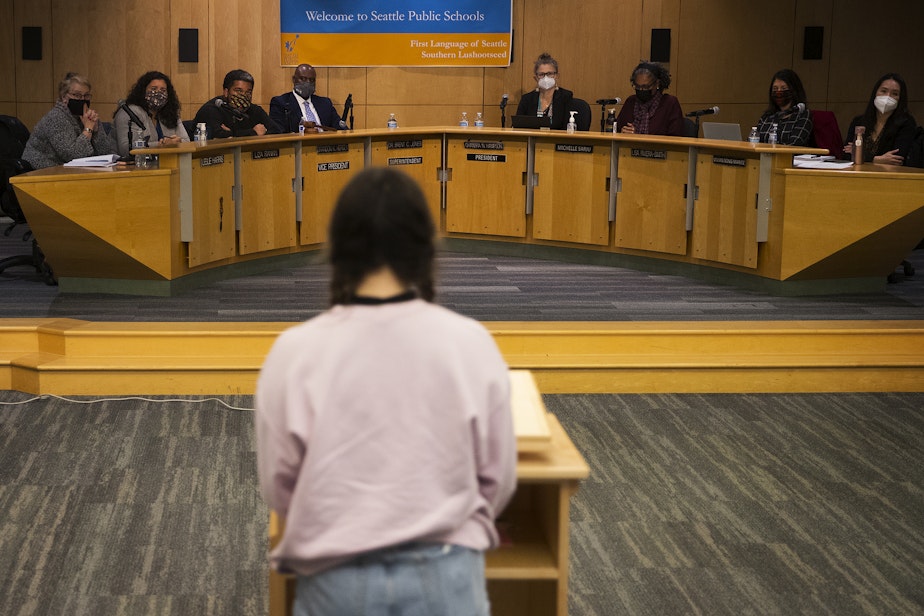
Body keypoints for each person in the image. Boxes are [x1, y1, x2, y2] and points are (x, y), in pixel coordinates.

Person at [255, 167, 517, 616]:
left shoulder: (294, 350)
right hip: (448, 575)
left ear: (337, 246)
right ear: (425, 246)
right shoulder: (471, 342)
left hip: (335, 579)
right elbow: (497, 478)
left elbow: (279, 486)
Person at [21, 72, 116, 170]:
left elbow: (107, 154)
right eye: (77, 95)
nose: (82, 100)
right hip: (41, 172)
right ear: (64, 97)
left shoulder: (88, 117)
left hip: (70, 171)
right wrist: (88, 129)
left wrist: (96, 131)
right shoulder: (56, 117)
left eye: (86, 95)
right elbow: (73, 156)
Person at [843, 73, 917, 165]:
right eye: (883, 91)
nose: (888, 96)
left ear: (900, 99)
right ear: (875, 93)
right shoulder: (859, 121)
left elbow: (896, 159)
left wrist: (860, 154)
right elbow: (846, 154)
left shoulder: (906, 123)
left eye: (895, 94)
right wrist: (875, 159)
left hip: (889, 176)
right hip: (857, 174)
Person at [112, 71, 189, 159]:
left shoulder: (170, 113)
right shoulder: (129, 113)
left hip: (165, 163)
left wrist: (177, 142)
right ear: (143, 91)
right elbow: (125, 148)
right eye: (153, 89)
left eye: (163, 90)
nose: (158, 93)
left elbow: (187, 141)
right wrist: (161, 145)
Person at [192, 69, 281, 138]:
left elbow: (277, 130)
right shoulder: (212, 109)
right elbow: (217, 136)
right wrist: (253, 132)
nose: (243, 96)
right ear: (226, 92)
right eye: (238, 91)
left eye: (248, 92)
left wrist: (232, 133)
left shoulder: (253, 110)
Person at [616, 61, 684, 136]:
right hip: (630, 146)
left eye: (645, 87)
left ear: (657, 83)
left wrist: (639, 137)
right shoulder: (631, 101)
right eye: (637, 86)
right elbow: (617, 129)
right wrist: (623, 133)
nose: (641, 90)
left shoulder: (669, 103)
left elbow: (676, 137)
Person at [269, 64, 341, 133]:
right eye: (303, 79)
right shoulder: (281, 103)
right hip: (298, 144)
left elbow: (340, 129)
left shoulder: (325, 103)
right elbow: (278, 132)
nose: (308, 83)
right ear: (294, 79)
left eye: (311, 80)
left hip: (324, 144)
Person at [515, 52, 575, 130]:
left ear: (557, 76)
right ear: (536, 78)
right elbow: (518, 127)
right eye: (541, 74)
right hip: (532, 140)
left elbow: (567, 127)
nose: (545, 77)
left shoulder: (565, 97)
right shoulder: (527, 99)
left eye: (549, 74)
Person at [755, 69, 813, 145]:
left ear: (794, 90)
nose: (779, 92)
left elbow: (795, 144)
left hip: (788, 156)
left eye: (784, 89)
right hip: (763, 156)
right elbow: (753, 140)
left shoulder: (803, 115)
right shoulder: (767, 116)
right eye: (775, 89)